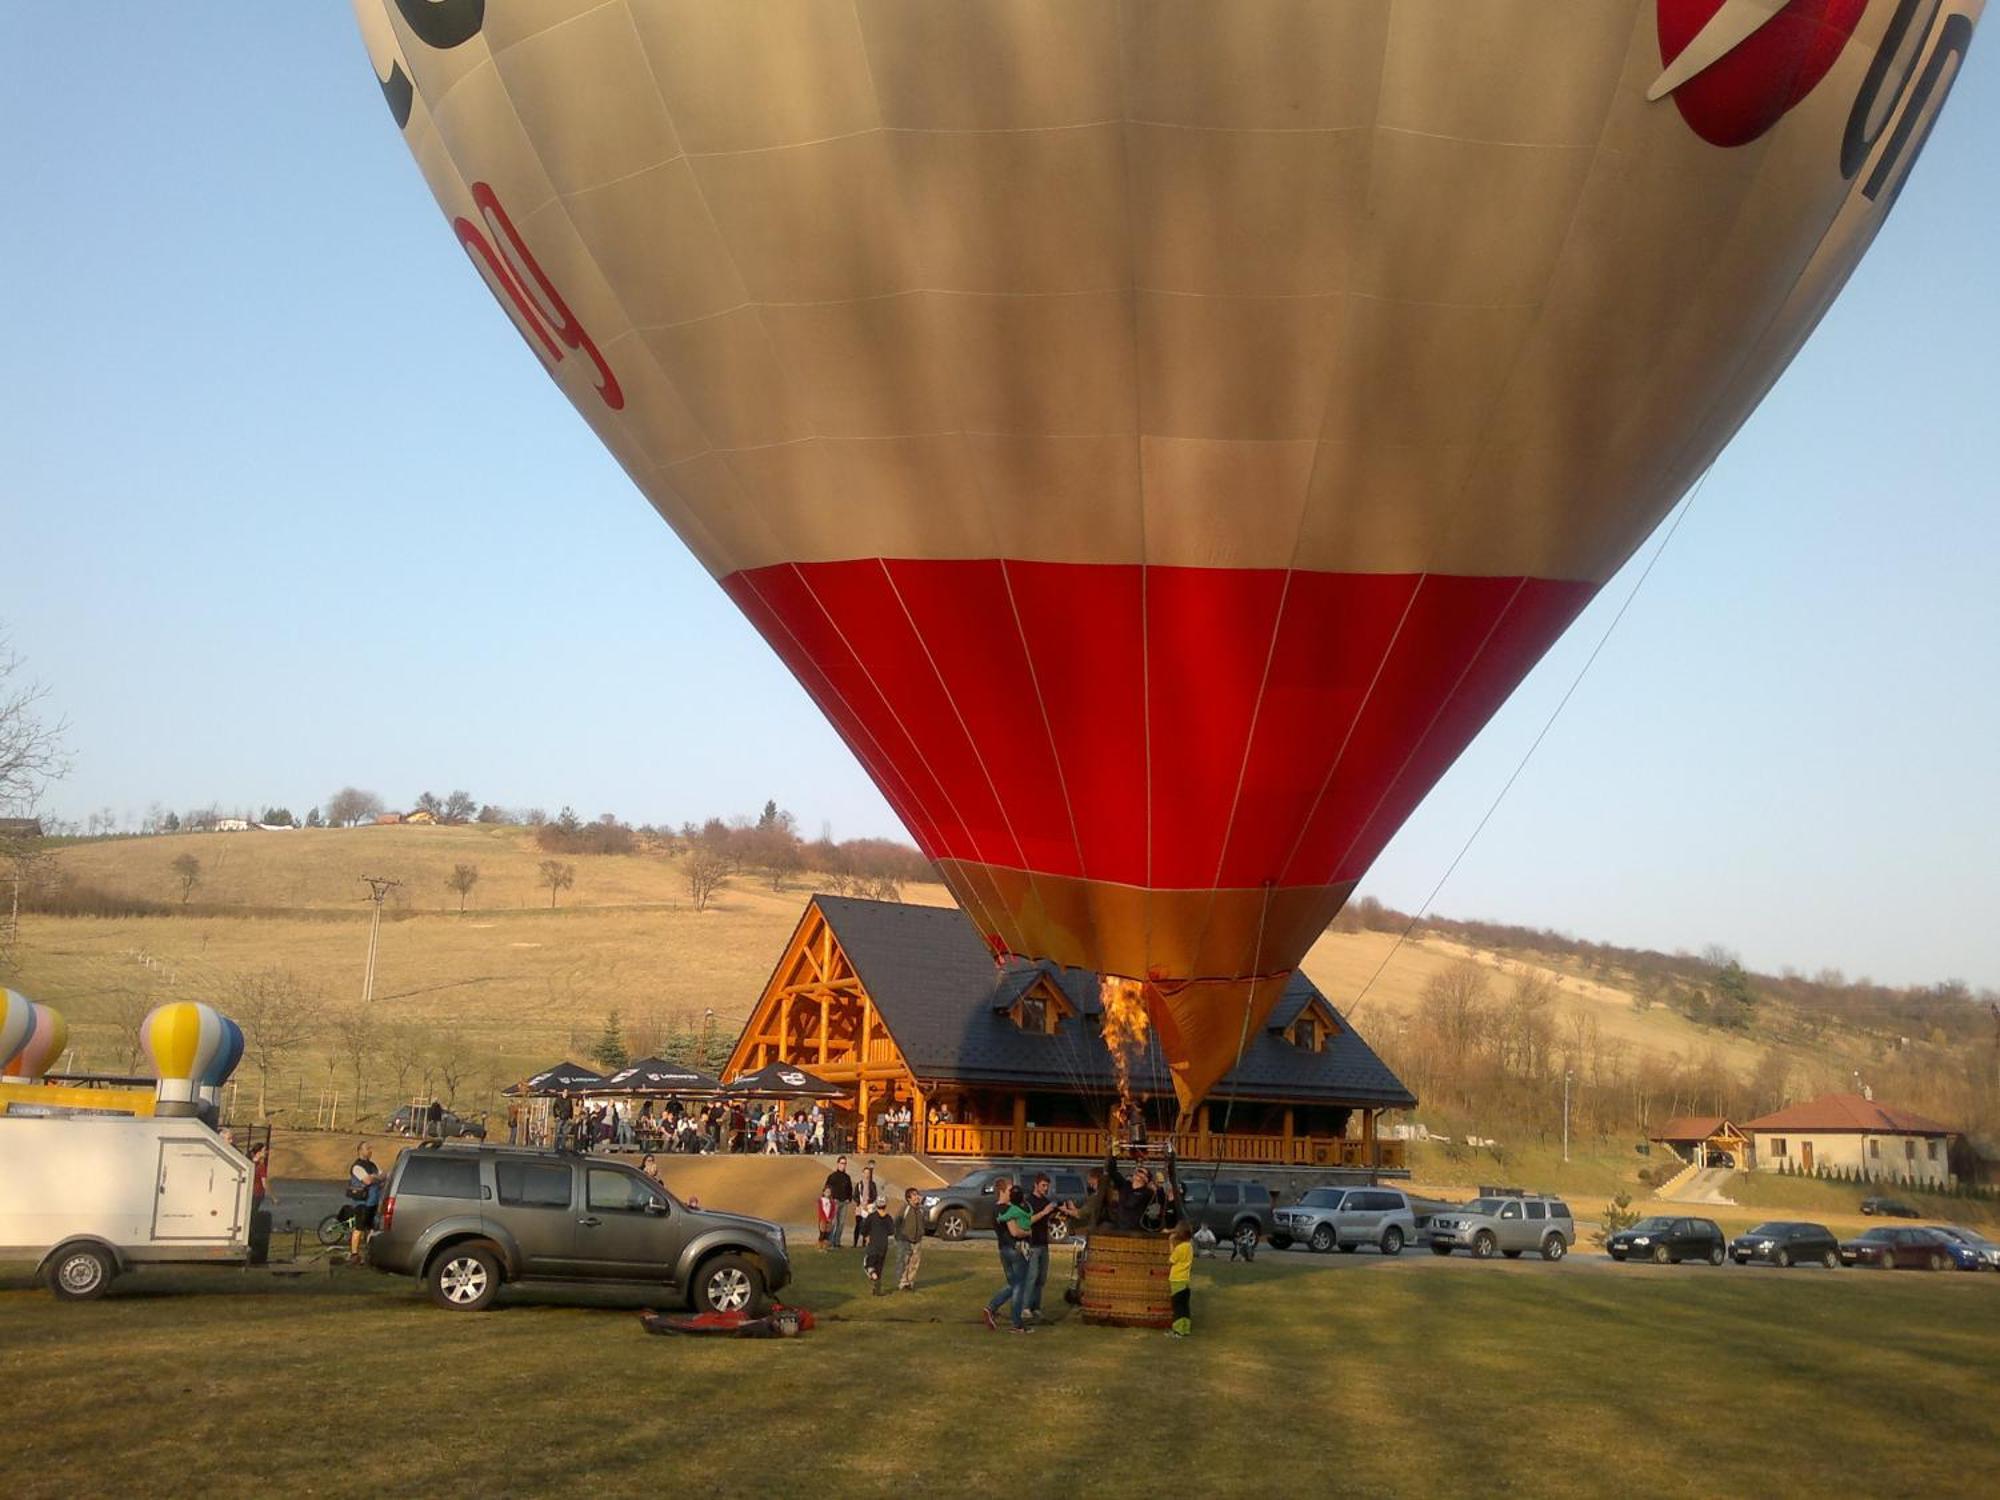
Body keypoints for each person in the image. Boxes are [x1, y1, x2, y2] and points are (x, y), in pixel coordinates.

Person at [983, 1179, 1034, 1333]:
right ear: (1002, 1191)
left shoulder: (996, 1209)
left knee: (1013, 1284)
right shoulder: (1006, 1209)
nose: (1013, 1192)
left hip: (1003, 1250)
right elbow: (1015, 1232)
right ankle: (1016, 1323)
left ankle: (991, 1309)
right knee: (1019, 1286)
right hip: (1015, 1250)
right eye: (1010, 1189)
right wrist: (1028, 1232)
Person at [1022, 1172, 1057, 1319]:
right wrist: (1043, 1213)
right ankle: (1025, 1307)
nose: (1045, 1188)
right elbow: (1027, 1221)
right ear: (1035, 1185)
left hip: (1044, 1243)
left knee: (1041, 1278)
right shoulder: (1028, 1202)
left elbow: (1047, 1219)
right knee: (1032, 1276)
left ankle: (1036, 1307)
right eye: (1043, 1185)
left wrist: (1054, 1216)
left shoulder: (1046, 1201)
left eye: (1047, 1186)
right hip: (1033, 1244)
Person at [345, 1140, 381, 1264]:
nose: (370, 1150)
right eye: (367, 1148)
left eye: (370, 1148)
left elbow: (383, 1177)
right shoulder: (357, 1166)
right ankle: (354, 1254)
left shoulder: (373, 1165)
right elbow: (367, 1181)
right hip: (362, 1203)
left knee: (371, 1229)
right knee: (359, 1228)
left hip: (374, 1202)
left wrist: (375, 1177)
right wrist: (375, 1177)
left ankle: (368, 1253)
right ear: (360, 1151)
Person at [894, 1186, 926, 1291]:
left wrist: (921, 1234)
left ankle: (910, 1282)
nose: (917, 1197)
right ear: (909, 1198)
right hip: (905, 1240)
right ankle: (903, 1283)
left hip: (917, 1240)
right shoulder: (905, 1209)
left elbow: (923, 1222)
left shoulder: (921, 1209)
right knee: (904, 1262)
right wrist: (899, 1236)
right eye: (914, 1195)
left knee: (915, 1263)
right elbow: (897, 1222)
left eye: (917, 1194)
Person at [861, 1200, 895, 1293]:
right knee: (879, 1266)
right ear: (885, 1205)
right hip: (883, 1245)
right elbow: (891, 1231)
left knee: (868, 1265)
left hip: (873, 1244)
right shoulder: (888, 1218)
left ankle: (874, 1278)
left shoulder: (871, 1217)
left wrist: (867, 1236)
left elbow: (863, 1229)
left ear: (876, 1205)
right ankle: (877, 1289)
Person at [1167, 1222, 1194, 1338]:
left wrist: (1170, 1243)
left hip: (1177, 1280)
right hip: (1186, 1280)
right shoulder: (1189, 1247)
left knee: (1177, 1306)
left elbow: (1171, 1260)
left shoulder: (1179, 1248)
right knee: (1184, 1306)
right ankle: (1185, 1329)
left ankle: (1177, 1331)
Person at [822, 1155, 854, 1248]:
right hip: (834, 1202)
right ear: (838, 1164)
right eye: (842, 1163)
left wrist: (849, 1198)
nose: (843, 1165)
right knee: (833, 1222)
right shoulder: (832, 1176)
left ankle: (837, 1242)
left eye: (845, 1163)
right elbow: (827, 1189)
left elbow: (850, 1189)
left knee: (841, 1223)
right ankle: (830, 1241)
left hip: (844, 1203)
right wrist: (831, 1199)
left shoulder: (847, 1177)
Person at [852, 1160, 884, 1247]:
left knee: (866, 1225)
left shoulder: (872, 1184)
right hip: (860, 1207)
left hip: (869, 1207)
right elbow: (855, 1195)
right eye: (865, 1173)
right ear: (862, 1174)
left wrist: (869, 1202)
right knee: (858, 1224)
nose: (866, 1175)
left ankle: (864, 1242)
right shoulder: (859, 1184)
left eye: (868, 1173)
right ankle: (855, 1243)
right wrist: (859, 1203)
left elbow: (874, 1195)